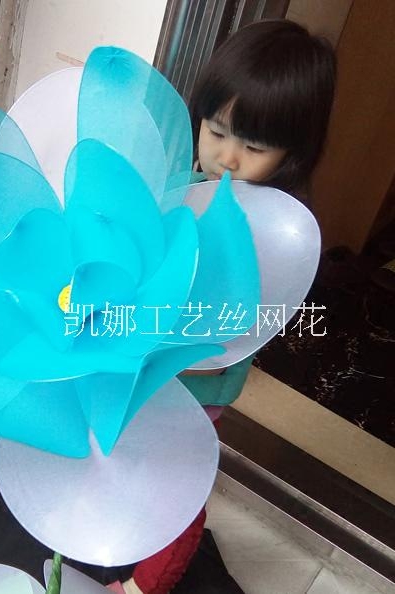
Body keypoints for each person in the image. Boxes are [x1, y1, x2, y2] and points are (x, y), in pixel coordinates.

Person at [108, 18, 336, 594]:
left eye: (254, 147)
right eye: (215, 131)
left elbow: (229, 338)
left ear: (294, 154)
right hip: (138, 368)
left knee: (175, 488)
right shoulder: (186, 184)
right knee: (124, 461)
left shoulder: (277, 235)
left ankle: (146, 584)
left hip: (195, 385)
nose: (226, 158)